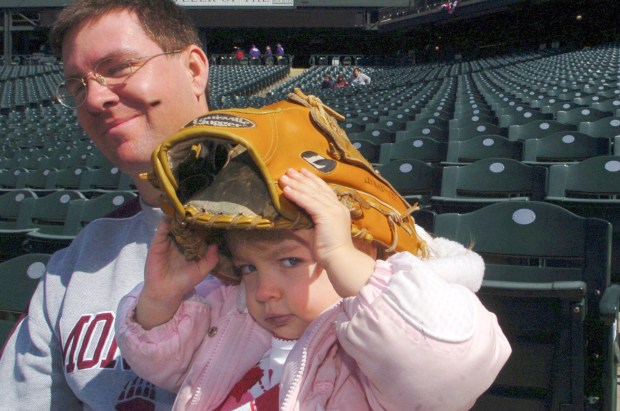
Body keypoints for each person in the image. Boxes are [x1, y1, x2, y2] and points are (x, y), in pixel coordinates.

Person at [115, 97, 511, 410]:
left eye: (291, 260)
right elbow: (162, 366)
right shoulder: (231, 315)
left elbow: (444, 370)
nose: (263, 291)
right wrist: (161, 300)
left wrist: (354, 272)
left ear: (365, 246)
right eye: (248, 267)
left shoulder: (370, 356)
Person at [0, 0, 210, 409]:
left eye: (117, 68)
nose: (94, 98)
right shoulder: (73, 266)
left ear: (194, 70)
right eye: (78, 86)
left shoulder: (319, 231)